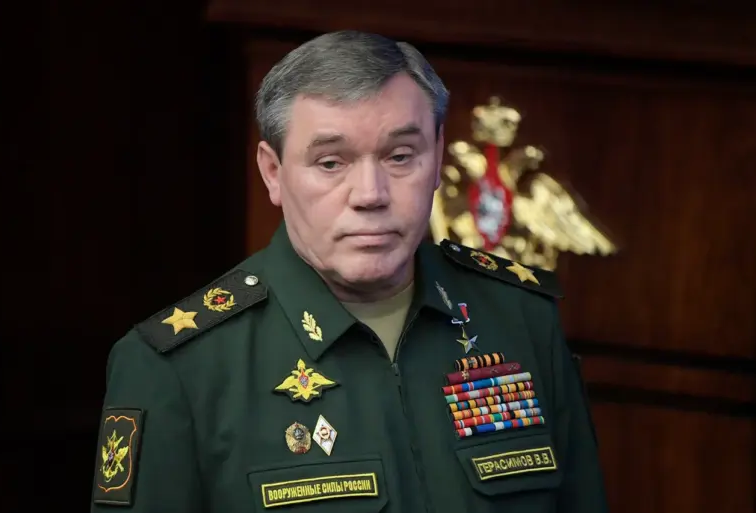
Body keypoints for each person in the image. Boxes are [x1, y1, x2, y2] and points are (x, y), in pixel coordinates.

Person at [89, 30, 608, 512]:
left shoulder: (521, 320)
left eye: (400, 156)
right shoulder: (179, 369)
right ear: (273, 172)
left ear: (437, 157)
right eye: (331, 163)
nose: (370, 195)